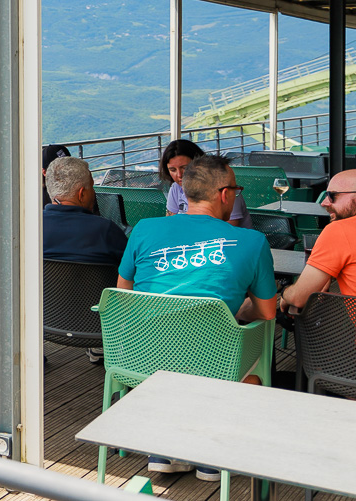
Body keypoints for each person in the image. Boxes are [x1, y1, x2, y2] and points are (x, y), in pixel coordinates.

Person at [117, 153, 276, 479]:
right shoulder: (253, 241)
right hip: (215, 364)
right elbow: (267, 312)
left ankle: (165, 447)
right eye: (236, 188)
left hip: (140, 359)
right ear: (225, 194)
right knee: (254, 365)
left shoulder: (144, 229)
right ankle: (211, 451)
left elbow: (123, 294)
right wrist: (237, 308)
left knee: (177, 354)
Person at [280, 168, 356, 311]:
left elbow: (298, 298)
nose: (324, 203)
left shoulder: (340, 230)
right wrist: (329, 272)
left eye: (332, 196)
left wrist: (285, 293)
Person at [43, 156, 128, 267]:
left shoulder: (31, 228)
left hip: (47, 285)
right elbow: (131, 270)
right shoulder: (105, 230)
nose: (93, 193)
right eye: (92, 187)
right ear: (82, 193)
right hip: (100, 285)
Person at [160, 138, 252, 229]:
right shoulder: (176, 188)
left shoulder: (227, 190)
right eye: (173, 170)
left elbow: (228, 231)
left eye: (185, 168)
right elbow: (170, 223)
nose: (179, 175)